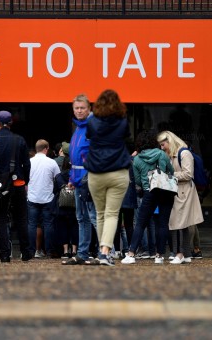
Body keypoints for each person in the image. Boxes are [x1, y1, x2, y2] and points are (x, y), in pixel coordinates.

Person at [82, 89, 131, 266]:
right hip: (118, 171)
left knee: (100, 213)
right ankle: (105, 252)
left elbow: (89, 136)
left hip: (96, 171)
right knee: (112, 214)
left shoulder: (92, 122)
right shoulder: (123, 122)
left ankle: (102, 252)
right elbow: (125, 137)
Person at [0, 110, 32, 263]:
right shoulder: (20, 140)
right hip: (17, 183)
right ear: (11, 123)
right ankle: (25, 252)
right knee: (21, 218)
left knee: (1, 218)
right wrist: (25, 180)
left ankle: (4, 254)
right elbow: (27, 164)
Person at [121, 131, 175, 265]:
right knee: (162, 224)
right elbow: (171, 171)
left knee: (140, 223)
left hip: (148, 191)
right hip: (165, 191)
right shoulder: (161, 154)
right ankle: (159, 255)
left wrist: (146, 183)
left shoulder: (137, 159)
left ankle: (131, 253)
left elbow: (138, 180)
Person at [157, 130, 204, 265]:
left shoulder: (184, 153)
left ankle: (180, 253)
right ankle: (186, 254)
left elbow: (188, 174)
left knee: (178, 223)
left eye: (163, 144)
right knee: (182, 223)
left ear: (169, 141)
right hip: (178, 191)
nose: (162, 147)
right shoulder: (172, 154)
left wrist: (169, 176)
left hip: (183, 191)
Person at [62, 94, 98, 265]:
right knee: (82, 217)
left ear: (89, 108)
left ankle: (105, 253)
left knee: (94, 216)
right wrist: (71, 177)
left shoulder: (93, 126)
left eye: (82, 108)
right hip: (78, 179)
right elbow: (75, 156)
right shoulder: (78, 128)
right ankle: (83, 254)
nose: (79, 111)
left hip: (89, 178)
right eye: (76, 108)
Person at [27, 139, 60, 258]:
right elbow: (58, 179)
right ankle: (50, 251)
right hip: (48, 197)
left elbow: (26, 179)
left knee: (32, 224)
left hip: (32, 197)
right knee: (48, 225)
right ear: (46, 148)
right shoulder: (52, 162)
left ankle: (31, 251)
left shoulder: (29, 162)